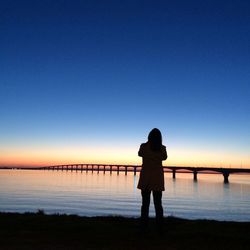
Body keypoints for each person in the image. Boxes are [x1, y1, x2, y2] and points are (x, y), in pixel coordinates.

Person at [137, 128, 168, 233]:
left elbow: (140, 154)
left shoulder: (144, 147)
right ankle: (160, 227)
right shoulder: (162, 149)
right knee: (158, 204)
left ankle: (143, 227)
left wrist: (148, 142)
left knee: (145, 204)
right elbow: (164, 157)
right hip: (157, 179)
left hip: (146, 179)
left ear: (149, 137)